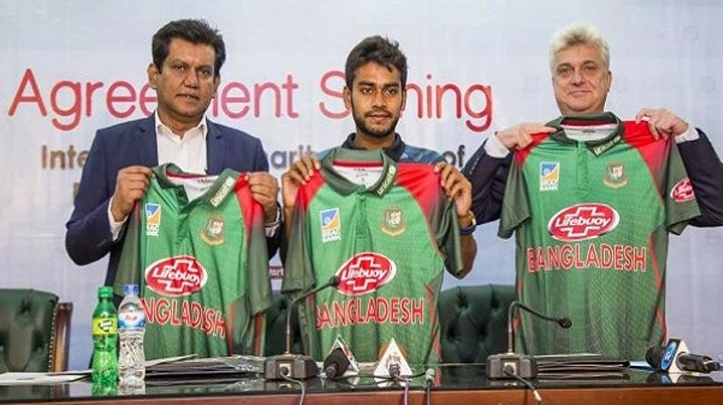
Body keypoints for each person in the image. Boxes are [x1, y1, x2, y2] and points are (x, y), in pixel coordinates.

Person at [463, 23, 723, 360]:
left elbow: (717, 210)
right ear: (553, 82)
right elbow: (467, 211)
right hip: (545, 362)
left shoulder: (650, 149)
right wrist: (495, 146)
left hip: (634, 361)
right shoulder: (528, 152)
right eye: (565, 71)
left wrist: (685, 134)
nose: (577, 79)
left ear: (608, 79)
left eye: (589, 68)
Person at [280, 35, 477, 366]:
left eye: (390, 90)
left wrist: (462, 218)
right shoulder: (315, 172)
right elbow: (295, 268)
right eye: (367, 89)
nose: (379, 102)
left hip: (412, 371)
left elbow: (463, 266)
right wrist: (290, 211)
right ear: (347, 97)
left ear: (404, 99)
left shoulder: (431, 170)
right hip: (334, 371)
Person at [65, 19, 281, 296]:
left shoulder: (246, 150)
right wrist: (116, 208)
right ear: (154, 75)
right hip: (138, 314)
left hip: (217, 314)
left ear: (216, 83)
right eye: (179, 68)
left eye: (204, 72)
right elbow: (78, 248)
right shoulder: (113, 144)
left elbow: (262, 254)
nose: (191, 81)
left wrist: (271, 216)